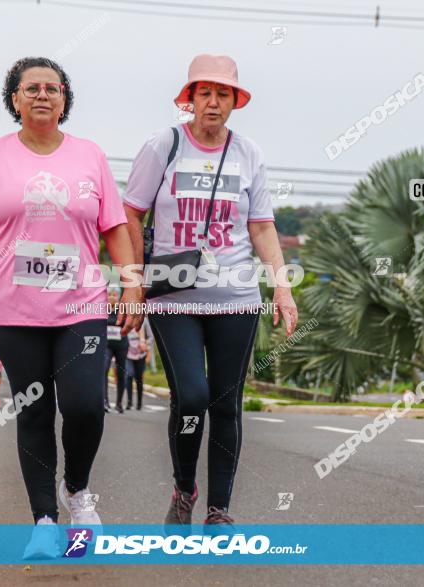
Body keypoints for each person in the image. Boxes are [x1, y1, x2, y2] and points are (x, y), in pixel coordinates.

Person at [0, 56, 140, 559]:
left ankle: (78, 491)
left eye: (53, 88)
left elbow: (114, 226)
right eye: (31, 88)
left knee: (85, 405)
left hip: (82, 304)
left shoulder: (89, 156)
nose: (43, 95)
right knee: (33, 410)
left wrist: (133, 282)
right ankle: (45, 521)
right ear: (14, 99)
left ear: (65, 99)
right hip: (13, 308)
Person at [123, 54, 298, 530]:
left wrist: (281, 289)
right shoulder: (164, 145)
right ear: (191, 98)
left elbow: (262, 227)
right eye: (205, 93)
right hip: (174, 295)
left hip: (236, 297)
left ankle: (219, 508)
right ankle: (185, 488)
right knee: (192, 396)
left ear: (235, 101)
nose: (214, 102)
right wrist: (133, 282)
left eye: (224, 94)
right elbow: (130, 214)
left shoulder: (249, 154)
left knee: (225, 402)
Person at [104, 287, 129, 413]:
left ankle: (119, 403)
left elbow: (128, 324)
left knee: (121, 373)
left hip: (121, 345)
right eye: (110, 294)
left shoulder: (123, 309)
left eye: (114, 295)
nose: (112, 297)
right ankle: (105, 401)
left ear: (119, 296)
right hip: (107, 344)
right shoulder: (103, 309)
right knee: (104, 369)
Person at [125, 319, 153, 410]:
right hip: (128, 353)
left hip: (141, 354)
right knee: (129, 375)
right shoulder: (126, 317)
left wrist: (146, 346)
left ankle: (139, 403)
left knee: (139, 379)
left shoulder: (144, 320)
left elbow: (151, 336)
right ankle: (129, 402)